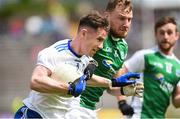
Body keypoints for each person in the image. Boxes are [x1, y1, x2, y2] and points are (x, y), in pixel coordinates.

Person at [14, 10, 139, 119]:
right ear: (84, 33)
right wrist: (69, 89)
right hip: (35, 115)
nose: (101, 46)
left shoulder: (86, 58)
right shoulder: (56, 52)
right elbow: (36, 81)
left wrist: (114, 83)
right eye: (99, 39)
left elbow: (85, 78)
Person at [64, 0, 143, 119]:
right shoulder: (95, 37)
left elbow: (111, 86)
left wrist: (125, 92)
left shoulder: (123, 47)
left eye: (129, 19)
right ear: (107, 16)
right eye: (121, 18)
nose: (126, 24)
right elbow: (73, 73)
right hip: (72, 104)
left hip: (90, 108)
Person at [117, 16, 180, 119]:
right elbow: (119, 74)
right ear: (156, 35)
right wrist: (122, 102)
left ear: (177, 35)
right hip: (137, 115)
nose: (165, 37)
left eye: (169, 32)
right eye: (161, 32)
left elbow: (176, 102)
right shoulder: (145, 56)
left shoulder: (178, 66)